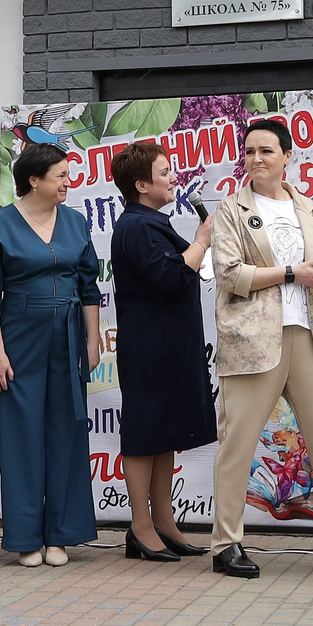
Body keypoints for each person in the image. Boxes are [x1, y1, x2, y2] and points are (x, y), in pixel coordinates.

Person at [206, 118, 313, 581]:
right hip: (253, 342)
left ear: (288, 156)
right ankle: (226, 543)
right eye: (249, 151)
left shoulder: (310, 209)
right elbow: (230, 275)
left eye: (266, 151)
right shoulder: (232, 209)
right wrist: (294, 271)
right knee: (237, 444)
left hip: (310, 335)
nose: (256, 159)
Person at [0, 142, 103, 568]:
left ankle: (61, 535)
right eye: (61, 176)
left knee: (66, 433)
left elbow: (88, 286)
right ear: (34, 179)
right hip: (18, 335)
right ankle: (26, 537)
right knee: (20, 436)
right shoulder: (0, 225)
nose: (69, 182)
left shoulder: (76, 223)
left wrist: (92, 340)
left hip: (67, 335)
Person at [107, 140, 215, 562]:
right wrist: (202, 240)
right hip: (150, 348)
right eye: (165, 172)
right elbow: (170, 276)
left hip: (170, 347)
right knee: (143, 434)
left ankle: (164, 520)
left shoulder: (153, 222)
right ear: (141, 184)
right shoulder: (136, 226)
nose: (174, 178)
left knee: (165, 433)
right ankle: (140, 525)